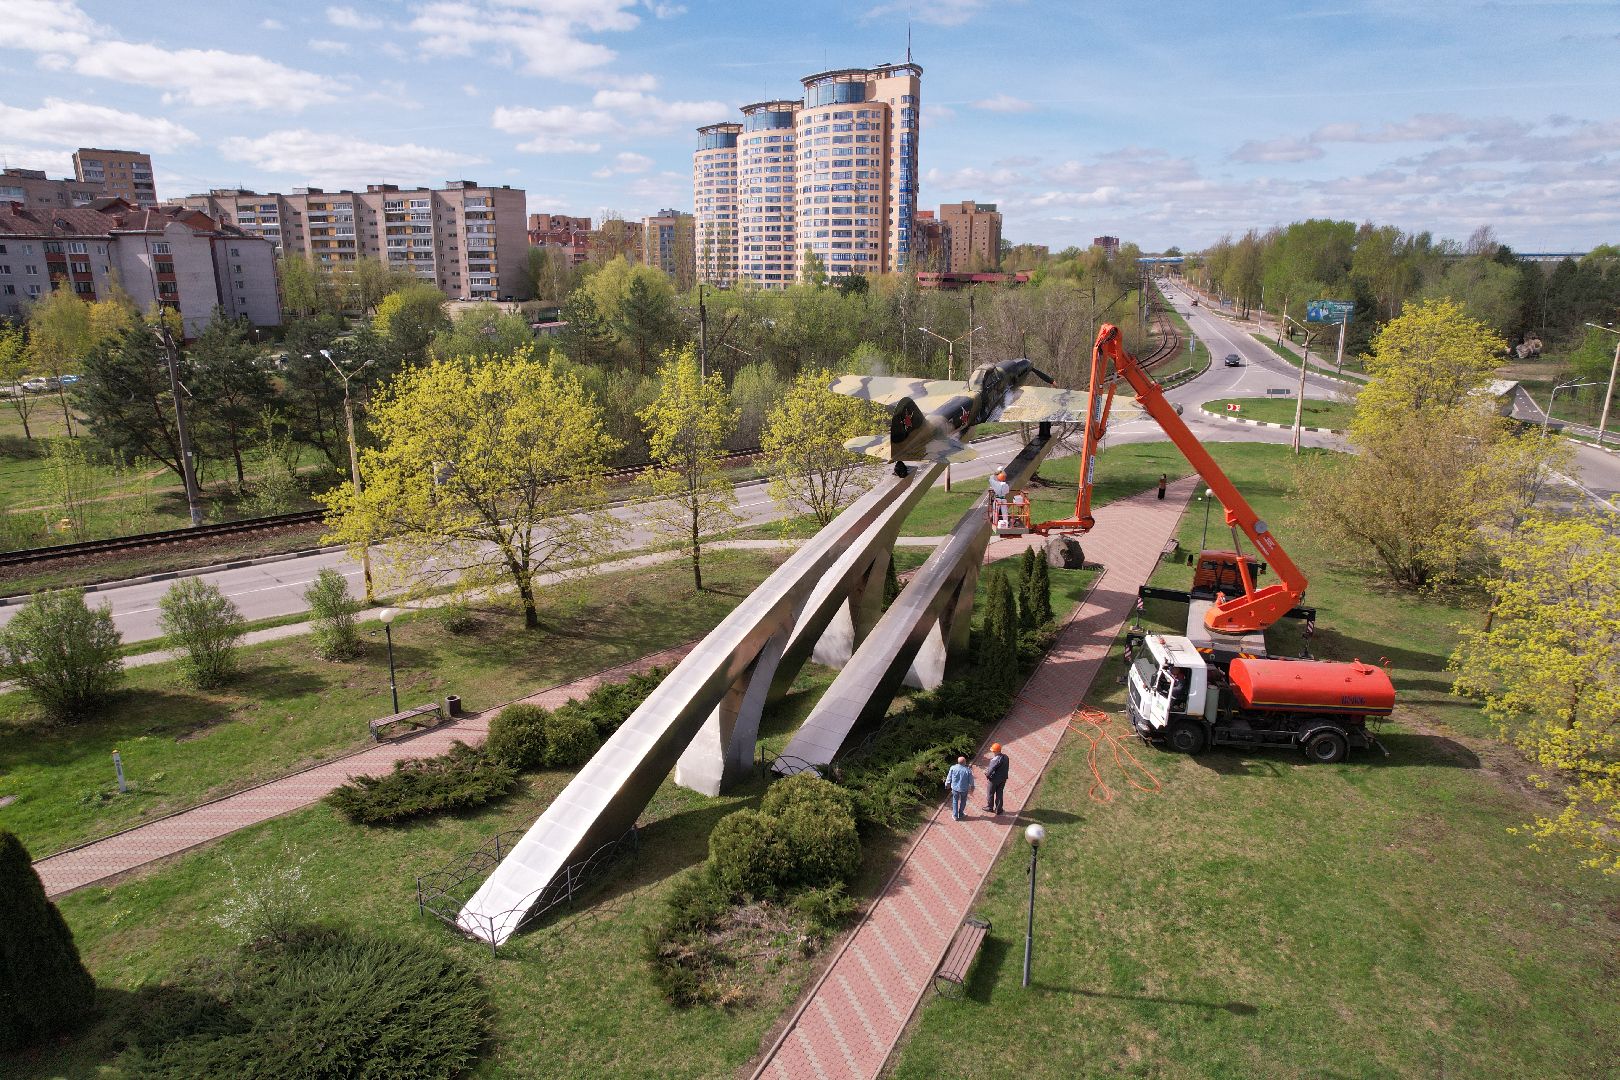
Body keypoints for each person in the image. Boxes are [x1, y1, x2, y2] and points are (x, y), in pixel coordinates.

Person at [944, 755, 975, 820]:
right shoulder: (967, 770)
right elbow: (971, 780)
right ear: (964, 762)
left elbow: (949, 777)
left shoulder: (953, 768)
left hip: (955, 788)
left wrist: (947, 783)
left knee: (955, 801)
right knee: (963, 801)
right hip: (964, 789)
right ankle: (961, 814)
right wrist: (972, 787)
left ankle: (955, 816)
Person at [983, 743, 1010, 814]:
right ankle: (998, 809)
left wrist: (986, 774)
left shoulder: (994, 760)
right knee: (999, 793)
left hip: (994, 780)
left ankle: (989, 807)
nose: (992, 752)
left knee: (990, 793)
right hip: (1003, 778)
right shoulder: (1006, 757)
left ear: (995, 751)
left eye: (993, 751)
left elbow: (990, 770)